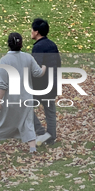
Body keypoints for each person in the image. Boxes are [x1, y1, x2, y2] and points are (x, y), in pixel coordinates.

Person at [0, 32, 46, 155]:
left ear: (8, 44)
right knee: (27, 123)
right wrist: (45, 66)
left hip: (11, 99)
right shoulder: (28, 57)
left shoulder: (4, 60)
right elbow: (38, 73)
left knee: (2, 122)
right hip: (26, 98)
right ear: (21, 44)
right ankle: (32, 149)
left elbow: (3, 85)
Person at [30, 18, 61, 146]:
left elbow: (36, 69)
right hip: (53, 83)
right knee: (50, 111)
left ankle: (41, 132)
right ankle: (51, 137)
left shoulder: (38, 47)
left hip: (40, 86)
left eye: (32, 29)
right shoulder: (52, 45)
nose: (30, 32)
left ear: (36, 32)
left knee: (24, 108)